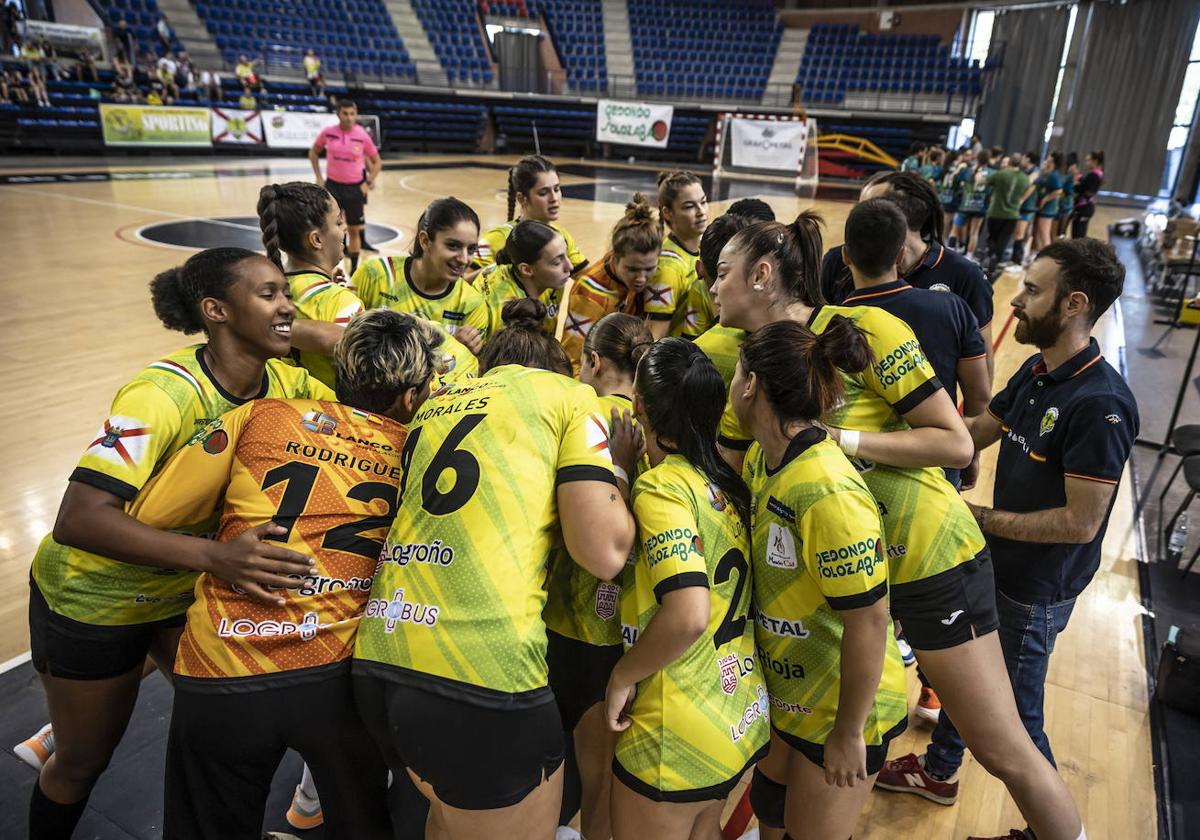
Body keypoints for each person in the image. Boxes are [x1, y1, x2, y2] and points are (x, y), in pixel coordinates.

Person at [712, 216, 1091, 840]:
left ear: (760, 275)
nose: (712, 285)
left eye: (722, 272)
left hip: (927, 562)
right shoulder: (742, 365)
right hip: (842, 578)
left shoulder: (866, 330)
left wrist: (836, 440)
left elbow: (954, 443)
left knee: (1000, 746)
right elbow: (730, 476)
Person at [24, 248, 333, 839]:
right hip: (93, 596)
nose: (286, 305)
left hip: (182, 590)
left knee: (228, 726)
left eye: (285, 293)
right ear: (216, 310)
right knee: (84, 762)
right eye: (268, 294)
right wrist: (218, 556)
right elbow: (79, 519)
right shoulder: (159, 395)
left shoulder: (289, 384)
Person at [129, 308, 441, 839]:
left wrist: (227, 535)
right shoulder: (421, 454)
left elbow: (150, 518)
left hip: (222, 660)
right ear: (412, 397)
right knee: (364, 824)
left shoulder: (261, 416)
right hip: (336, 674)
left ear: (339, 375)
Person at [880, 239, 1136, 839]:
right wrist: (901, 441)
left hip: (1035, 589)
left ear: (1074, 304)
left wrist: (980, 519)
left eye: (1032, 290)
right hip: (999, 565)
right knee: (974, 686)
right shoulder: (1040, 368)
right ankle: (941, 771)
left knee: (1015, 728)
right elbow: (978, 432)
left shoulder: (1101, 405)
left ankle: (1054, 831)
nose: (1015, 302)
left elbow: (1081, 522)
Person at [353, 297, 634, 840]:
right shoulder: (572, 398)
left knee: (445, 820)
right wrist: (617, 469)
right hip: (482, 673)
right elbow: (602, 553)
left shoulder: (439, 403)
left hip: (381, 658)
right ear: (559, 368)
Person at [732, 319, 908, 840]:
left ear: (751, 385)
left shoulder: (827, 490)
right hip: (792, 692)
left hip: (843, 708)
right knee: (770, 805)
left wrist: (850, 733)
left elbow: (871, 621)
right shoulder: (767, 459)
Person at [605, 337, 768, 839]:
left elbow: (689, 612)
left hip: (674, 730)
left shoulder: (662, 489)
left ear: (638, 406)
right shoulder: (724, 482)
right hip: (734, 709)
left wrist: (621, 677)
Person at [544, 312, 650, 840]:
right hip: (617, 634)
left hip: (551, 618)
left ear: (593, 361)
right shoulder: (653, 428)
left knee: (538, 771)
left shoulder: (571, 412)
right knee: (600, 777)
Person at [838, 198, 991, 489]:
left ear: (845, 256)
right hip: (936, 471)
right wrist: (972, 456)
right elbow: (979, 398)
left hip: (860, 473)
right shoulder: (952, 308)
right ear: (900, 255)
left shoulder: (833, 321)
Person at [820, 171, 995, 374]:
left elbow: (983, 360)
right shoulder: (839, 260)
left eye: (868, 207)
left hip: (930, 403)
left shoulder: (965, 276)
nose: (857, 214)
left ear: (899, 216)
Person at [257, 181, 365, 388]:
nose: (344, 229)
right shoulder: (341, 302)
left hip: (285, 410)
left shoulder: (265, 292)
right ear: (316, 239)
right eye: (339, 222)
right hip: (335, 415)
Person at [351, 196, 488, 350]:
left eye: (471, 249)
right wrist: (449, 349)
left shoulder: (472, 305)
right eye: (453, 246)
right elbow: (344, 339)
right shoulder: (374, 274)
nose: (464, 259)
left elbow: (469, 371)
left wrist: (462, 355)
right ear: (425, 241)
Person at [559, 193, 662, 371]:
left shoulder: (659, 273)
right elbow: (572, 361)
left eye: (649, 269)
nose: (641, 278)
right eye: (632, 269)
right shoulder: (589, 294)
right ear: (614, 258)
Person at [472, 154, 588, 276]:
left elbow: (588, 279)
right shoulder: (497, 237)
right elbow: (462, 283)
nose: (554, 198)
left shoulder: (561, 236)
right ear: (522, 198)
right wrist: (500, 268)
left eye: (557, 189)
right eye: (543, 193)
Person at [309, 99, 381, 275]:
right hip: (333, 187)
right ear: (338, 114)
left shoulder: (362, 135)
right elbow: (314, 152)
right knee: (329, 229)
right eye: (345, 113)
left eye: (352, 114)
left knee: (354, 229)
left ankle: (355, 270)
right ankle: (328, 269)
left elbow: (377, 161)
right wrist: (319, 176)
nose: (349, 118)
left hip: (354, 189)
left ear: (356, 115)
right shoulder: (328, 133)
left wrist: (368, 181)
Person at [478, 219, 573, 338]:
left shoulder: (552, 281)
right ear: (527, 270)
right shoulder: (503, 312)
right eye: (557, 262)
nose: (570, 266)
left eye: (566, 255)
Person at [647, 170, 710, 339]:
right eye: (689, 206)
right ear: (667, 212)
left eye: (703, 202)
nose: (701, 211)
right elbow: (654, 337)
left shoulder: (702, 251)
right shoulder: (667, 268)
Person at [983, 154, 1031, 278]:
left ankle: (990, 256)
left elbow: (986, 181)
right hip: (1012, 214)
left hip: (996, 212)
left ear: (1009, 162)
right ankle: (996, 261)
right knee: (1004, 239)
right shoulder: (1025, 178)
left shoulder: (1001, 174)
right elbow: (1028, 190)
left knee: (992, 236)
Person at [1034, 152, 1066, 253]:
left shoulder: (1054, 175)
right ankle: (1040, 256)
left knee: (1044, 234)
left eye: (1048, 158)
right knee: (1039, 233)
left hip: (1048, 210)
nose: (1046, 160)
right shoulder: (1047, 173)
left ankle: (1049, 258)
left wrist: (1045, 199)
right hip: (1042, 208)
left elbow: (1058, 191)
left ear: (1052, 161)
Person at [1070, 151, 1104, 239]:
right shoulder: (1099, 173)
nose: (1086, 163)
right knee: (1080, 235)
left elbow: (1082, 189)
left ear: (1095, 161)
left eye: (1088, 160)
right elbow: (1086, 184)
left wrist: (1074, 182)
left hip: (1083, 208)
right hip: (1087, 207)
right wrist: (1079, 177)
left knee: (1077, 236)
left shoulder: (1093, 175)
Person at [1056, 154, 1078, 240]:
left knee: (1061, 229)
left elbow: (1067, 191)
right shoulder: (1068, 175)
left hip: (1066, 205)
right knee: (1061, 229)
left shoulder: (1070, 176)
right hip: (1065, 204)